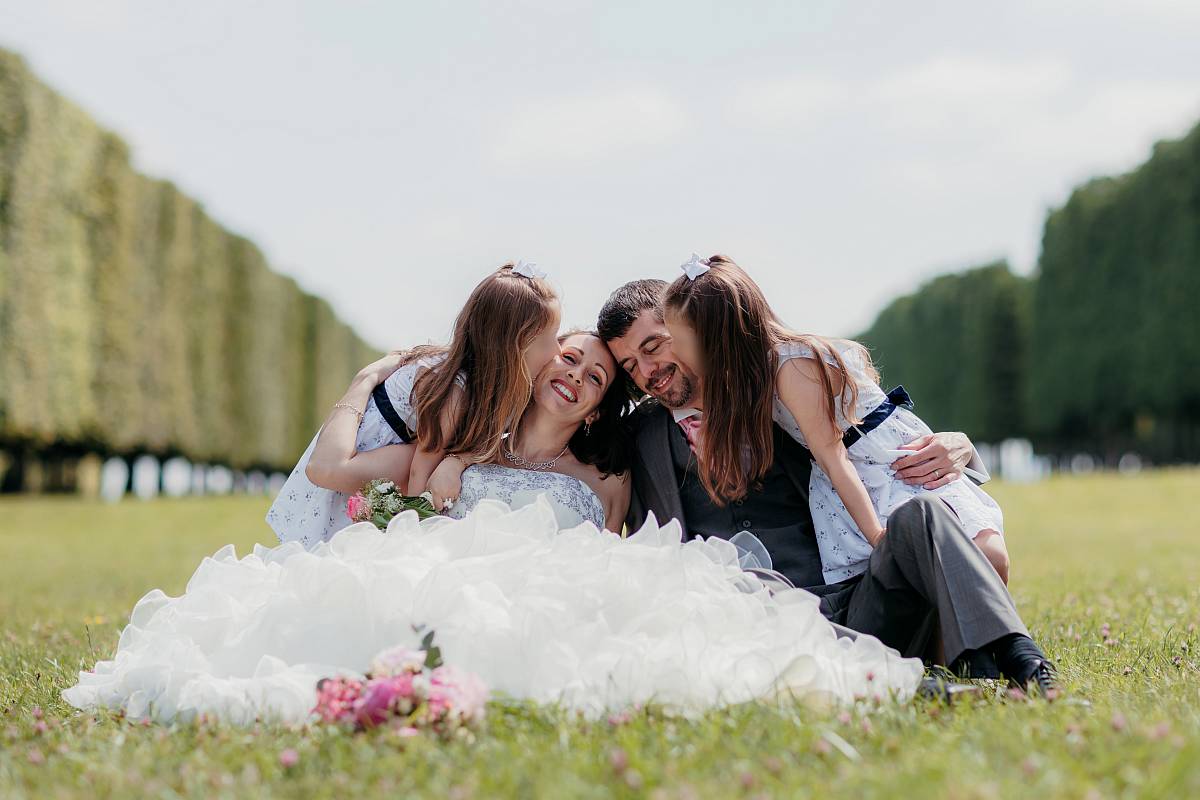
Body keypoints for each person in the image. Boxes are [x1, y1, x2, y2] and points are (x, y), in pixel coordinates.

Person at [64, 333, 925, 724]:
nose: (579, 375)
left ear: (600, 401)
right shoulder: (459, 447)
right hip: (444, 584)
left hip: (549, 594)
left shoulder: (606, 477)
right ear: (539, 364)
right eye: (569, 360)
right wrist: (364, 386)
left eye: (595, 375)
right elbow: (335, 474)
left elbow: (616, 552)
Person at [599, 269, 1057, 693]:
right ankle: (909, 685)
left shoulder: (777, 386)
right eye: (630, 366)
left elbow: (872, 439)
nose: (647, 372)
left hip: (858, 600)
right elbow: (567, 450)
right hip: (754, 622)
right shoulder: (640, 440)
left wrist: (959, 445)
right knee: (738, 574)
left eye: (653, 347)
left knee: (922, 515)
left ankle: (1024, 661)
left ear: (687, 332)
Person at [661, 254, 1010, 585]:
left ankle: (997, 640)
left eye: (679, 341)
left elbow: (834, 456)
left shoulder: (790, 366)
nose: (674, 352)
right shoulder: (754, 377)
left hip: (883, 459)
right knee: (929, 575)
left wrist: (876, 535)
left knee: (985, 554)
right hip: (858, 471)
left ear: (717, 338)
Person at [265, 262, 561, 548]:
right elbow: (421, 478)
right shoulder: (456, 395)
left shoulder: (489, 387)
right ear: (510, 347)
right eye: (547, 341)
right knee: (349, 491)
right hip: (373, 435)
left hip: (396, 438)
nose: (557, 350)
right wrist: (412, 544)